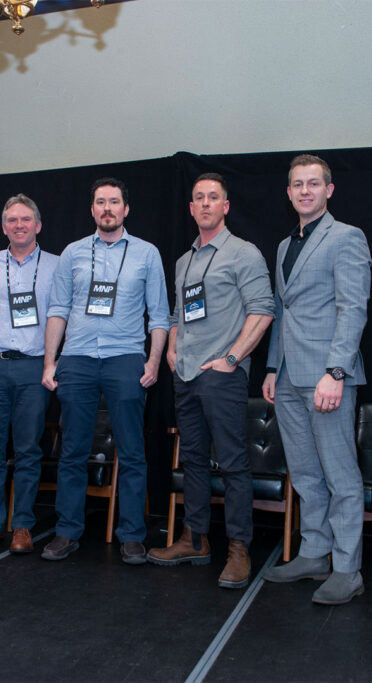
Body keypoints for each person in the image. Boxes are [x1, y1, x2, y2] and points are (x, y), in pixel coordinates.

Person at [146, 173, 274, 589]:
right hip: (184, 375)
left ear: (226, 206)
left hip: (222, 377)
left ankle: (239, 548)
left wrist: (233, 358)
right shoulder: (185, 260)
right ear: (191, 208)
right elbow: (179, 314)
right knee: (194, 461)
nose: (205, 203)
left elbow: (263, 310)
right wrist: (171, 350)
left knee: (234, 464)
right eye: (198, 198)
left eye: (213, 197)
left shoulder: (244, 253)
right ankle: (194, 539)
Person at [40, 177, 170, 564]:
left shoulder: (147, 254)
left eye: (114, 201)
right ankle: (67, 532)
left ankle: (131, 535)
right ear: (92, 210)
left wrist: (153, 360)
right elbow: (58, 310)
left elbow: (159, 314)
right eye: (101, 202)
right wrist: (51, 360)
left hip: (126, 358)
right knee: (73, 451)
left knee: (131, 451)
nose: (108, 208)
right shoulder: (72, 253)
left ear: (126, 210)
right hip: (77, 359)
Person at [261, 154, 372, 605]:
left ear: (329, 189)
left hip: (328, 376)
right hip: (288, 376)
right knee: (305, 473)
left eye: (313, 183)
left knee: (340, 475)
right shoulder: (286, 246)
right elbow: (280, 310)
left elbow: (353, 308)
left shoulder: (347, 237)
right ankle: (313, 553)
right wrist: (271, 368)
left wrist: (336, 372)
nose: (305, 191)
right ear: (288, 194)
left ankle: (348, 568)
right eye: (297, 185)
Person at [0, 194, 58, 555]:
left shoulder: (56, 265)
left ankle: (22, 526)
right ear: (4, 227)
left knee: (29, 450)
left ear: (38, 225)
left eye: (26, 220)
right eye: (12, 220)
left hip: (34, 367)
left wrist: (52, 361)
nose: (19, 225)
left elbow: (62, 316)